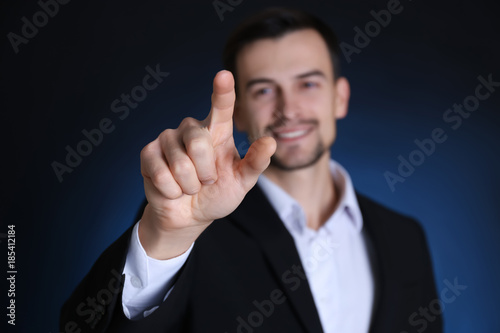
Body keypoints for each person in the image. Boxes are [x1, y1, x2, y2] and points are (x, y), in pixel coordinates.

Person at [60, 7, 443, 333]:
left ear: (339, 97)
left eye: (308, 83)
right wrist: (167, 237)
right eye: (263, 90)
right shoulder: (190, 229)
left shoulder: (404, 237)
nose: (288, 109)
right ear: (238, 112)